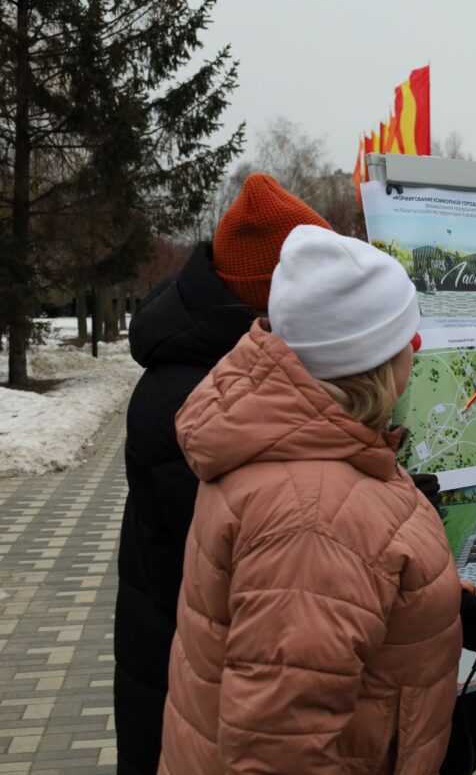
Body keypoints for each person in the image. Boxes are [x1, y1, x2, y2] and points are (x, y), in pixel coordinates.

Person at [159, 226, 465, 773]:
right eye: (406, 339)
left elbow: (342, 602)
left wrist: (437, 604)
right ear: (374, 359)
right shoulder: (316, 516)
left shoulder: (315, 448)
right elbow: (281, 750)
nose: (415, 352)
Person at [114, 173, 332, 775]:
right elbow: (268, 566)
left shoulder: (227, 372)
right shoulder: (195, 397)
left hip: (200, 686)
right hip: (192, 706)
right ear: (274, 297)